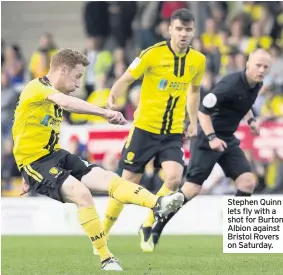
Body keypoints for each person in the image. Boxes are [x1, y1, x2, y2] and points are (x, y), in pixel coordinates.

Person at [12, 48, 184, 271]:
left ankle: (157, 205)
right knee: (82, 194)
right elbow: (65, 103)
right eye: (77, 76)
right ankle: (106, 258)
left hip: (55, 155)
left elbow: (20, 128)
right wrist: (104, 113)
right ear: (62, 70)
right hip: (36, 163)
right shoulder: (37, 88)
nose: (78, 84)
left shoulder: (47, 95)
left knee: (109, 179)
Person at [142, 48, 272, 252]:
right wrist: (212, 138)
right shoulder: (229, 84)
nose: (262, 69)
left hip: (227, 139)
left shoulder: (256, 84)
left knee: (247, 182)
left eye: (266, 67)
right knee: (192, 189)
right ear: (248, 64)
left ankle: (234, 237)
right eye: (258, 65)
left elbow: (243, 103)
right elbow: (203, 111)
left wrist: (251, 120)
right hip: (207, 137)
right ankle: (155, 227)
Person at [104, 8, 206, 252]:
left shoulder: (198, 61)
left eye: (188, 30)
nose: (183, 34)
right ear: (169, 29)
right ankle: (102, 232)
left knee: (173, 178)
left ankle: (147, 224)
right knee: (127, 183)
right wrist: (113, 95)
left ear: (193, 32)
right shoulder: (151, 54)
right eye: (179, 29)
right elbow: (127, 78)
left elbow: (193, 91)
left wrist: (193, 121)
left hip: (171, 133)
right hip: (144, 129)